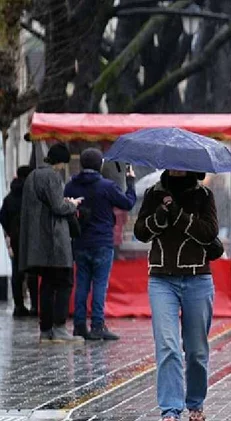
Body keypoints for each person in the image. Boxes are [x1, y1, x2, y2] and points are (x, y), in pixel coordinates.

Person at [134, 170, 219, 421]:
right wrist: (160, 216)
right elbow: (140, 232)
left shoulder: (204, 195)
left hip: (197, 279)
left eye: (182, 165)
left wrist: (179, 216)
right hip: (162, 280)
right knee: (168, 346)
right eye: (172, 164)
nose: (177, 169)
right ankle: (170, 409)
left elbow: (209, 232)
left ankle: (195, 404)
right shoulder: (154, 194)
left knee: (196, 351)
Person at [64, 148, 137, 340]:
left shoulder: (71, 186)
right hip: (102, 242)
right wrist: (130, 182)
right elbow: (128, 203)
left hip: (80, 242)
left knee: (82, 284)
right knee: (99, 285)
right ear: (100, 165)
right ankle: (97, 325)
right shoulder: (106, 186)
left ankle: (79, 326)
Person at [19, 143, 84, 343]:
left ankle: (46, 331)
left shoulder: (32, 176)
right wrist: (72, 204)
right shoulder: (53, 177)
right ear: (61, 163)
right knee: (65, 282)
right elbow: (58, 207)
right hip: (55, 241)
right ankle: (60, 328)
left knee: (46, 285)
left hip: (38, 242)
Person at [0, 165, 36, 317]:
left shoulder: (9, 197)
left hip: (16, 238)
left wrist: (10, 232)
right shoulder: (32, 194)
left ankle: (19, 306)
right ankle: (35, 306)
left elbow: (2, 217)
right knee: (33, 272)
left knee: (17, 272)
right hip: (33, 237)